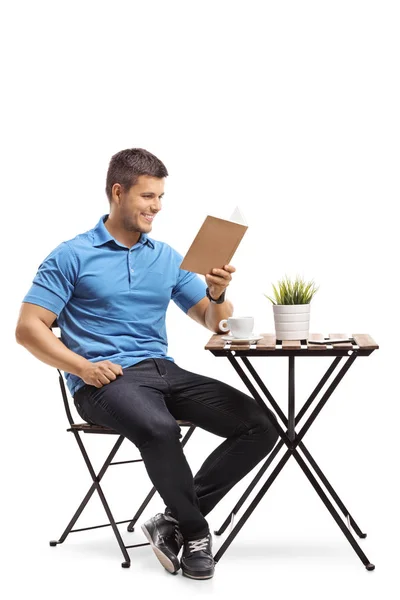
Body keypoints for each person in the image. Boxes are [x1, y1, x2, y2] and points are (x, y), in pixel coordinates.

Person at [15, 148, 278, 580]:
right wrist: (82, 367)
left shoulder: (166, 256)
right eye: (147, 197)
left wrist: (215, 293)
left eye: (160, 197)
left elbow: (212, 322)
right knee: (160, 428)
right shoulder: (71, 255)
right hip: (106, 382)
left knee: (261, 424)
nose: (156, 207)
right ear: (118, 193)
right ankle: (193, 533)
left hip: (163, 371)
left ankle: (172, 519)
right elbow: (29, 328)